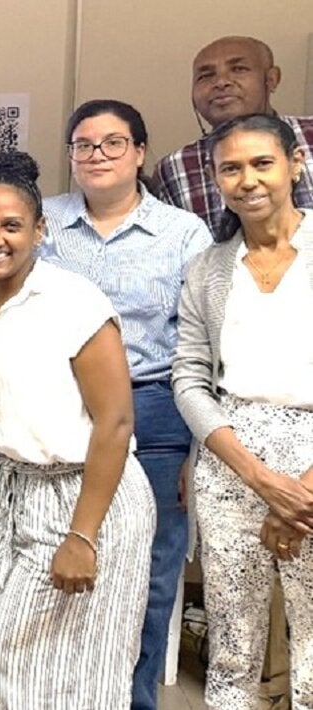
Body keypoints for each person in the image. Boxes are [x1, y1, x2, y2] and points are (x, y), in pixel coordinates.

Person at [0, 152, 156, 709]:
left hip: (89, 494)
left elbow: (116, 421)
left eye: (11, 226)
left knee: (35, 662)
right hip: (11, 493)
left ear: (39, 231)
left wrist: (83, 536)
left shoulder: (74, 303)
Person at [41, 99, 213, 710]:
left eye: (114, 143)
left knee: (149, 568)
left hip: (154, 411)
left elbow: (199, 341)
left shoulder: (184, 233)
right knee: (58, 551)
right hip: (61, 408)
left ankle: (132, 699)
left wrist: (198, 445)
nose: (97, 156)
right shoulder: (44, 222)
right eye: (84, 145)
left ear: (140, 153)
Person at [172, 113, 313, 710]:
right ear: (216, 178)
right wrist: (257, 477)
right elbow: (189, 378)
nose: (247, 180)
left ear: (295, 165)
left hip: (311, 460)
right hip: (231, 457)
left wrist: (300, 491)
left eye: (262, 163)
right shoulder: (209, 268)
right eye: (231, 168)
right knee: (232, 636)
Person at [153, 36, 313, 233]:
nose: (221, 82)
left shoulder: (310, 134)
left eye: (238, 69)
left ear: (271, 79)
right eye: (205, 76)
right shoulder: (175, 167)